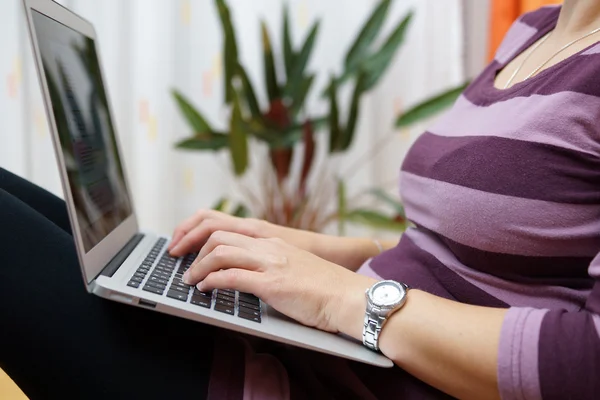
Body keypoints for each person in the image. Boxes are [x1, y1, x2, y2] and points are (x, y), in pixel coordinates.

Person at [2, 1, 600, 399]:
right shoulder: (536, 29)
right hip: (316, 350)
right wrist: (316, 253)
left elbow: (588, 361)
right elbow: (450, 254)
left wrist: (341, 298)